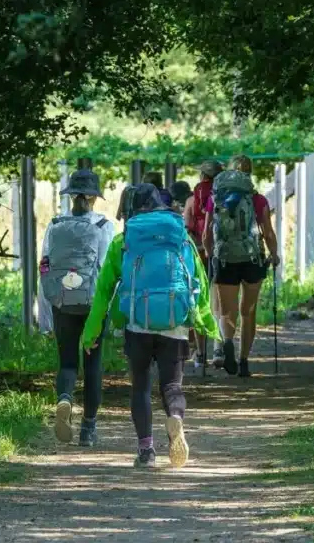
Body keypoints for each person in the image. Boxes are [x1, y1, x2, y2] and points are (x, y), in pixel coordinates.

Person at [80, 183, 219, 469]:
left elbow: (104, 291)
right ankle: (176, 419)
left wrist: (91, 332)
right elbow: (199, 284)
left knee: (141, 387)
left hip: (137, 322)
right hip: (174, 323)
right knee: (171, 384)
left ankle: (146, 452)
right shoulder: (180, 235)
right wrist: (206, 322)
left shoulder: (125, 239)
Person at [38, 169, 114, 445]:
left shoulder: (55, 224)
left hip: (62, 302)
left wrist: (46, 310)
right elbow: (107, 270)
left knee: (67, 363)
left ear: (70, 196)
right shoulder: (104, 227)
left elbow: (45, 266)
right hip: (93, 305)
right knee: (92, 365)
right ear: (94, 198)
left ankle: (65, 399)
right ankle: (88, 430)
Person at [202, 155, 280, 377]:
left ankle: (227, 342)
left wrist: (211, 254)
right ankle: (244, 361)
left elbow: (207, 233)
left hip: (225, 258)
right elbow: (268, 232)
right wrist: (274, 254)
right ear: (249, 174)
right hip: (252, 258)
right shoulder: (259, 200)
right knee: (249, 311)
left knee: (227, 310)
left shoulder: (214, 198)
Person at [183, 160, 222, 369]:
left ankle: (200, 352)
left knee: (198, 301)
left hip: (197, 254)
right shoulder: (223, 197)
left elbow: (187, 228)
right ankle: (218, 347)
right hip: (220, 254)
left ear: (202, 176)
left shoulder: (192, 200)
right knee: (218, 303)